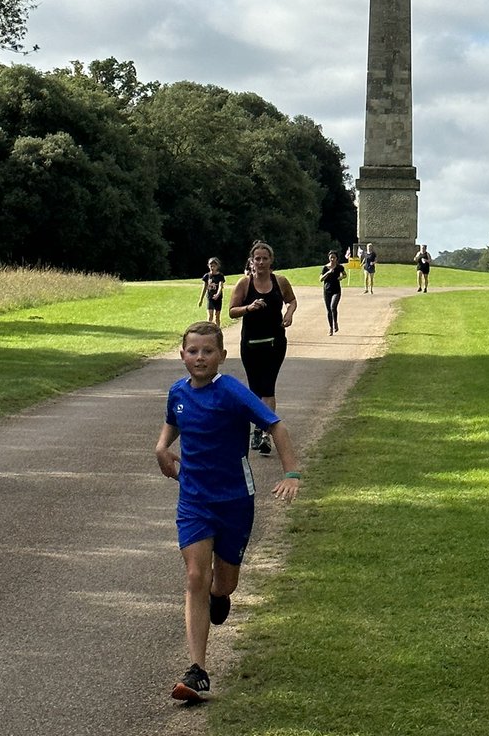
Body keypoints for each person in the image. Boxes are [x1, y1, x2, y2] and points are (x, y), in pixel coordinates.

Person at [155, 321, 301, 703]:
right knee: (194, 576)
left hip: (235, 500)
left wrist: (292, 473)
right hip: (194, 500)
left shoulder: (231, 392)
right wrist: (161, 448)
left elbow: (277, 426)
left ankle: (220, 595)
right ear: (182, 354)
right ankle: (197, 671)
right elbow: (173, 423)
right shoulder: (177, 392)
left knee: (224, 584)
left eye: (207, 351)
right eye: (192, 351)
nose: (199, 357)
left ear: (221, 355)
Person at [228, 241, 297, 457]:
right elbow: (231, 311)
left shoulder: (280, 281)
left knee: (268, 388)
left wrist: (288, 314)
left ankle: (265, 432)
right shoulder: (244, 284)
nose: (260, 262)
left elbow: (292, 301)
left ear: (271, 261)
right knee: (255, 389)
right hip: (251, 344)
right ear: (251, 261)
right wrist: (249, 307)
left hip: (275, 342)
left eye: (264, 258)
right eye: (257, 258)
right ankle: (258, 427)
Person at [319, 250, 346, 335]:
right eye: (331, 257)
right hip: (327, 291)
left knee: (333, 307)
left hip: (336, 290)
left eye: (334, 257)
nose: (332, 259)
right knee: (328, 311)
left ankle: (335, 323)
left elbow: (344, 274)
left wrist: (341, 277)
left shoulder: (339, 267)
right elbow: (320, 279)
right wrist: (328, 272)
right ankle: (330, 328)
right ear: (329, 258)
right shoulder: (325, 268)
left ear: (336, 258)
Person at [198, 257, 226, 325]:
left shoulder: (220, 276)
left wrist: (217, 294)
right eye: (211, 266)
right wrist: (201, 299)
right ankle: (209, 332)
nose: (212, 268)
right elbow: (204, 288)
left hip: (218, 298)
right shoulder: (207, 276)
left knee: (217, 316)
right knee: (210, 316)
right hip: (210, 298)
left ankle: (218, 331)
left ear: (217, 266)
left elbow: (220, 286)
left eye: (214, 266)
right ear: (208, 266)